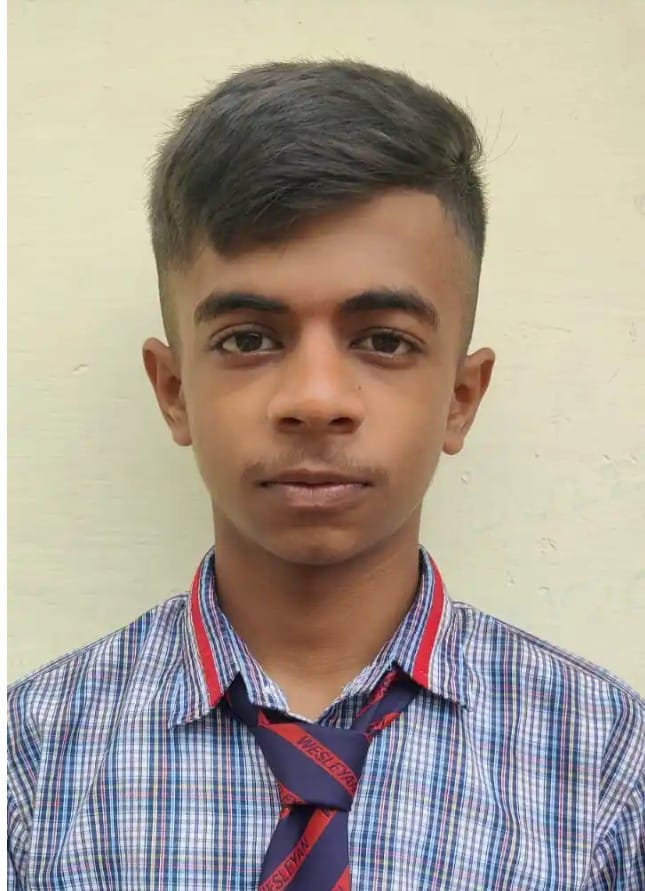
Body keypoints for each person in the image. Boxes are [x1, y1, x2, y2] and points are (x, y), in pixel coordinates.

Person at [7, 59, 644, 890]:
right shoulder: (32, 760)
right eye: (247, 339)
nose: (315, 399)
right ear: (173, 391)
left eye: (383, 340)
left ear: (459, 398)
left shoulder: (604, 763)